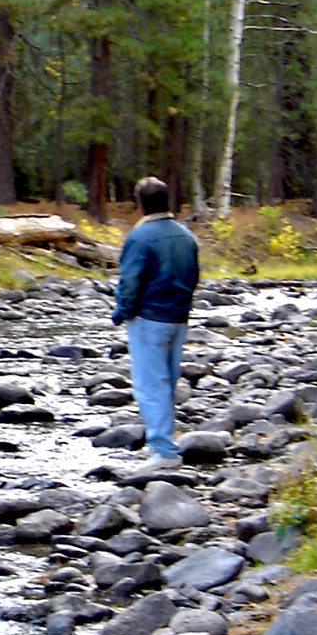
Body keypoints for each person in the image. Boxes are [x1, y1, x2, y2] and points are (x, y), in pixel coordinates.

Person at [110, 175, 199, 472]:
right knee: (168, 381)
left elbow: (130, 280)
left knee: (151, 386)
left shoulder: (139, 237)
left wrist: (122, 311)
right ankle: (162, 443)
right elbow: (193, 276)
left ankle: (163, 450)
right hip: (178, 317)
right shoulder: (186, 235)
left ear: (140, 205)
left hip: (149, 318)